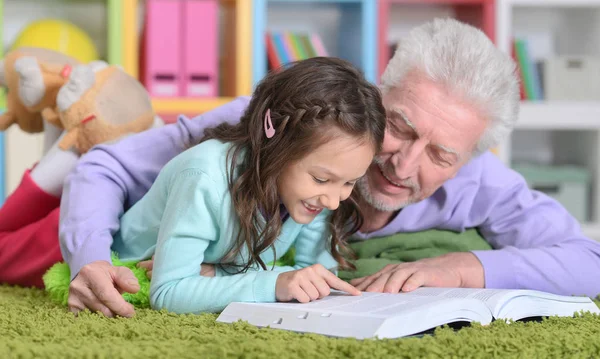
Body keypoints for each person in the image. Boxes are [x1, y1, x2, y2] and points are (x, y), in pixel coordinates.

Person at [60, 18, 600, 318]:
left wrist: (460, 269)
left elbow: (589, 260)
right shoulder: (285, 122)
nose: (403, 163)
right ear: (376, 94)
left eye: (441, 155)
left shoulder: (483, 182)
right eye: (402, 126)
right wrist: (91, 257)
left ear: (468, 160)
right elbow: (105, 166)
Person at [68, 57, 385, 315]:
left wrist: (222, 275)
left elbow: (316, 272)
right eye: (321, 179)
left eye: (350, 183)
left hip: (220, 260)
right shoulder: (204, 177)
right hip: (130, 265)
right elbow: (167, 291)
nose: (333, 200)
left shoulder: (319, 190)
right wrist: (271, 284)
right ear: (277, 147)